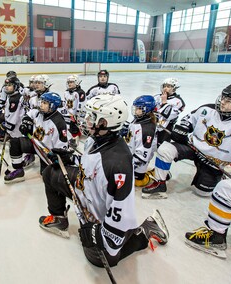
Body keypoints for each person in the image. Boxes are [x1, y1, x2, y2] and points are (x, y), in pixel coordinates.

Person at [38, 94, 169, 267]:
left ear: (106, 122)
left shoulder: (117, 164)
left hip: (101, 215)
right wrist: (70, 159)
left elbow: (122, 212)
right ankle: (59, 218)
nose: (86, 120)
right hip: (86, 188)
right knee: (50, 173)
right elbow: (91, 167)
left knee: (100, 259)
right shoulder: (95, 139)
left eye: (92, 117)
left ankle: (146, 230)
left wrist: (101, 233)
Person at [142, 82, 231, 199]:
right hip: (193, 148)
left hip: (214, 161)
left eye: (229, 101)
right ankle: (159, 183)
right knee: (165, 149)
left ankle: (217, 178)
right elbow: (189, 119)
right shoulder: (208, 109)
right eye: (223, 98)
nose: (223, 102)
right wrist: (182, 127)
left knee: (202, 192)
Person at [4, 92, 68, 183]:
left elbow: (62, 146)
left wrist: (57, 157)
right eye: (41, 102)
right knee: (15, 142)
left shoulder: (59, 123)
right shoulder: (38, 112)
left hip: (46, 152)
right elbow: (28, 115)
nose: (41, 105)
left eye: (45, 103)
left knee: (46, 176)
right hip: (35, 144)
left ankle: (39, 162)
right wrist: (26, 123)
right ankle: (19, 171)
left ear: (53, 106)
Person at [122, 95, 158, 187]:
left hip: (140, 160)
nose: (136, 110)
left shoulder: (147, 129)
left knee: (137, 182)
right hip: (131, 153)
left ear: (147, 109)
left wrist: (128, 166)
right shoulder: (140, 119)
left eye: (139, 108)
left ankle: (152, 174)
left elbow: (143, 154)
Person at [154, 78, 186, 146]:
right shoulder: (156, 97)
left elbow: (168, 115)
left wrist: (164, 102)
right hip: (153, 125)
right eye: (164, 86)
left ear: (174, 88)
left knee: (162, 148)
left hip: (166, 128)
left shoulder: (178, 101)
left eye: (168, 86)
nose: (165, 88)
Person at [0, 71, 24, 142]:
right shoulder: (12, 95)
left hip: (16, 131)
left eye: (9, 85)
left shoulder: (14, 99)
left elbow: (12, 121)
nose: (6, 87)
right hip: (14, 126)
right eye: (6, 85)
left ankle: (3, 134)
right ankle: (4, 134)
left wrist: (6, 126)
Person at [59, 74, 86, 148]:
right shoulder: (66, 92)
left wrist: (77, 114)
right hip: (68, 115)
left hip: (76, 115)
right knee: (66, 127)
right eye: (68, 82)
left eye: (71, 82)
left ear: (76, 82)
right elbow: (65, 103)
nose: (69, 84)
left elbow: (81, 104)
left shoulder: (80, 92)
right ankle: (72, 137)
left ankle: (76, 139)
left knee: (74, 127)